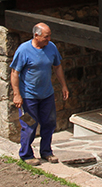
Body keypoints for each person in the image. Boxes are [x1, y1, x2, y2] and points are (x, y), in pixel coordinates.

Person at [10, 22, 69, 166]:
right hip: (29, 97)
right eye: (46, 37)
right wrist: (17, 94)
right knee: (29, 125)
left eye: (49, 36)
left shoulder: (51, 48)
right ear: (36, 35)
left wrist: (63, 86)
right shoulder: (23, 50)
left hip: (46, 95)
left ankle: (46, 152)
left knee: (49, 123)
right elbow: (14, 73)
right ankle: (26, 154)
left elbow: (58, 66)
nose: (48, 39)